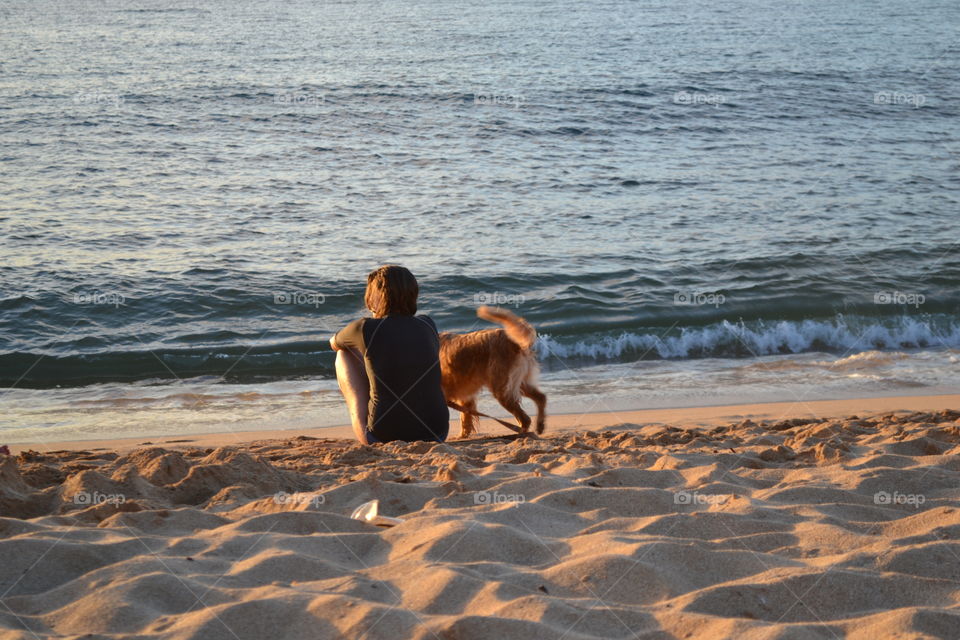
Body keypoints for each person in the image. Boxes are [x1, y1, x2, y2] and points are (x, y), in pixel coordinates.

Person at [329, 265, 449, 444]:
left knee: (343, 354)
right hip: (437, 432)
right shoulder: (428, 323)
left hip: (382, 436)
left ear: (374, 297)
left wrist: (373, 320)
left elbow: (333, 342)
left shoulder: (364, 328)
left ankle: (363, 425)